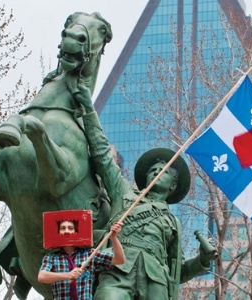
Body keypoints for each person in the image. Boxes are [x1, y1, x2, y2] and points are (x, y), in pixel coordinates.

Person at [75, 84, 218, 300]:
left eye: (163, 171)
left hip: (156, 280)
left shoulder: (172, 222)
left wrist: (202, 261)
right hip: (116, 269)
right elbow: (102, 154)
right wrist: (87, 105)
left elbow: (177, 271)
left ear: (173, 186)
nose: (156, 172)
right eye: (153, 170)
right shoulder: (124, 192)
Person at [38, 220, 125, 300]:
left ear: (76, 232)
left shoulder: (90, 254)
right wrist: (68, 275)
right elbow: (42, 277)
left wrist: (114, 237)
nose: (66, 231)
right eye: (62, 228)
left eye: (70, 228)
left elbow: (119, 259)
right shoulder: (51, 257)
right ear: (58, 233)